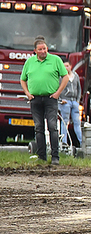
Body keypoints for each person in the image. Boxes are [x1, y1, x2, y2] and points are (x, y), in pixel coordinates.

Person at [20, 36, 69, 165]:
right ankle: (41, 157)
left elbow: (65, 77)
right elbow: (22, 79)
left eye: (45, 49)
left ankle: (55, 157)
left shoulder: (55, 60)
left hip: (51, 98)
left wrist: (58, 92)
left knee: (52, 127)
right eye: (40, 49)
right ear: (35, 51)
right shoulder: (29, 62)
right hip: (35, 99)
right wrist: (27, 93)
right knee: (39, 127)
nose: (43, 51)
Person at [58, 61, 82, 147]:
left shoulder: (75, 76)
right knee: (65, 121)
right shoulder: (60, 77)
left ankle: (82, 142)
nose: (66, 68)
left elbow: (79, 88)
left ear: (71, 66)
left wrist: (78, 101)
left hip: (74, 101)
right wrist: (60, 100)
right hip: (65, 101)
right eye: (64, 66)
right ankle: (64, 141)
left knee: (77, 122)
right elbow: (57, 88)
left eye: (67, 66)